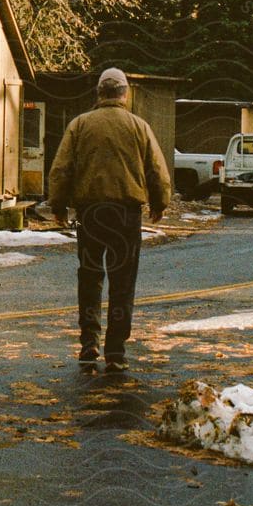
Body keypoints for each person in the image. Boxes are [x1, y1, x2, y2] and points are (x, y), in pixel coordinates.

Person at [48, 67, 171, 372]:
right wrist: (160, 202)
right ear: (124, 94)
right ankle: (116, 350)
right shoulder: (138, 126)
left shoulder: (80, 125)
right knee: (122, 282)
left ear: (99, 93)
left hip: (90, 214)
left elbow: (61, 168)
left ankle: (89, 343)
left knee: (90, 277)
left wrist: (59, 205)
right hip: (125, 215)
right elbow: (157, 169)